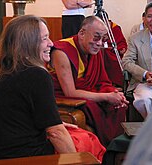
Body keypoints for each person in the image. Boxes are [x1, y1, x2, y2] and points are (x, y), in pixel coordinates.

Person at [0, 15, 105, 161]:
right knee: (87, 139)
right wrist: (77, 162)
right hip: (24, 158)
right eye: (45, 38)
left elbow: (19, 118)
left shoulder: (4, 71)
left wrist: (56, 122)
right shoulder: (37, 74)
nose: (51, 44)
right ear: (29, 43)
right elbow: (55, 133)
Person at [47, 16, 128, 146]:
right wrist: (106, 96)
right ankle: (102, 150)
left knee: (118, 105)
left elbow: (101, 81)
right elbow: (70, 92)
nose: (100, 43)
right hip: (64, 96)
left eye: (103, 39)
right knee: (93, 106)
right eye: (96, 37)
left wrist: (113, 93)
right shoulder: (62, 51)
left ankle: (114, 151)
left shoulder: (94, 51)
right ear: (82, 33)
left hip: (85, 92)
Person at [97, 12, 128, 87]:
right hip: (98, 51)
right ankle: (99, 83)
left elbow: (121, 42)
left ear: (107, 20)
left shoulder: (114, 27)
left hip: (112, 51)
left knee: (114, 59)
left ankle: (115, 84)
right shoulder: (95, 27)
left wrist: (121, 48)